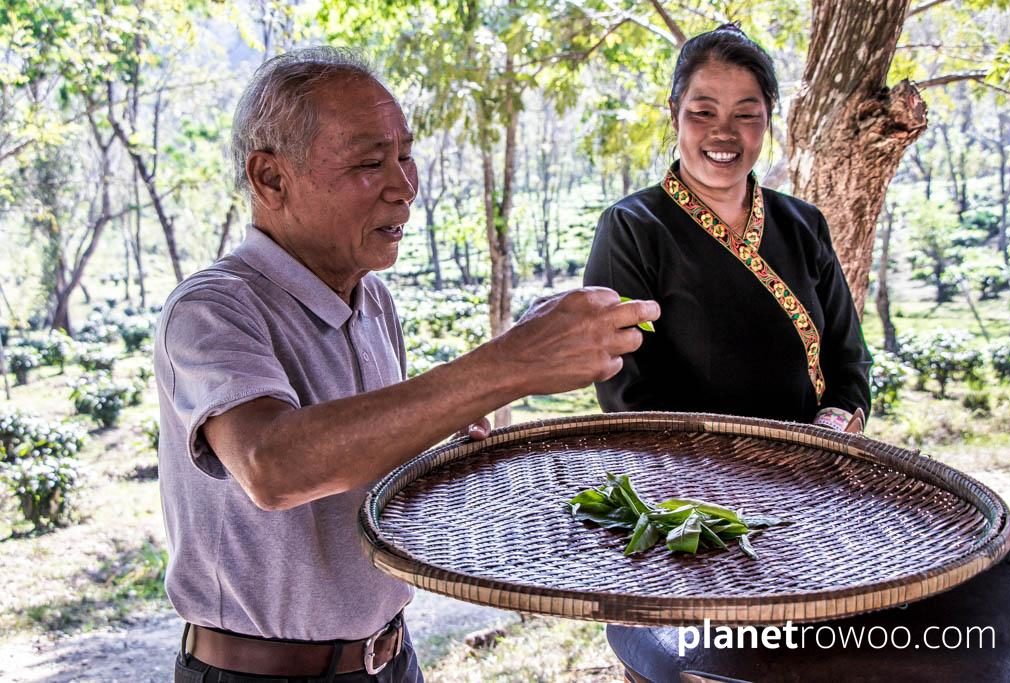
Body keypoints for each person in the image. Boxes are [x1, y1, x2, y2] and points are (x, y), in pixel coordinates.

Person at [156, 46, 659, 683]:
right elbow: (273, 466)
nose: (406, 186)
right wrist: (509, 364)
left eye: (404, 155)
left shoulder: (372, 300)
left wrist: (436, 440)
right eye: (370, 163)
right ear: (270, 179)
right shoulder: (211, 309)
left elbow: (354, 462)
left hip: (392, 659)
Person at [582, 25, 871, 682]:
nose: (724, 132)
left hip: (807, 501)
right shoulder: (633, 229)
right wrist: (729, 483)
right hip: (693, 518)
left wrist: (836, 422)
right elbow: (627, 390)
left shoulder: (804, 225)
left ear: (768, 122)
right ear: (675, 115)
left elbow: (848, 360)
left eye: (748, 114)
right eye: (703, 111)